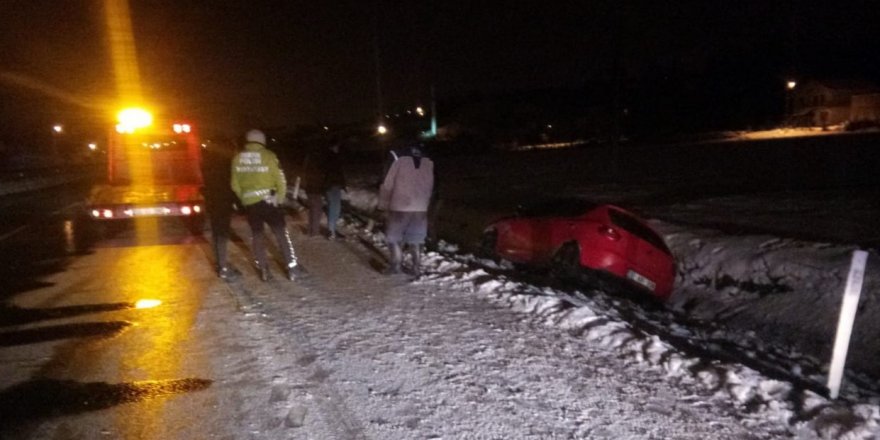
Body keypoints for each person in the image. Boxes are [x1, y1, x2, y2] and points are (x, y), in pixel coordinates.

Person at [231, 129, 301, 281]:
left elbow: (234, 184)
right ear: (262, 140)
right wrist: (279, 198)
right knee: (281, 234)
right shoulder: (269, 156)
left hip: (251, 204)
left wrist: (245, 199)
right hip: (269, 201)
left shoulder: (237, 158)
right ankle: (291, 267)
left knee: (257, 236)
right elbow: (280, 179)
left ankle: (263, 268)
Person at [377, 136, 435, 277]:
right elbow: (432, 183)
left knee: (393, 237)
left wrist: (383, 204)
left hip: (400, 204)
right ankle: (416, 267)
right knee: (416, 238)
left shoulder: (395, 155)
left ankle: (395, 266)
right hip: (421, 206)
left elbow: (387, 182)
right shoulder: (428, 158)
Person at [201, 137, 241, 282]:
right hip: (224, 201)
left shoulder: (207, 162)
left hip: (212, 201)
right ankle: (223, 267)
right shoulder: (228, 164)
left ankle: (221, 264)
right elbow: (233, 185)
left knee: (217, 233)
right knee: (222, 233)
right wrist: (238, 202)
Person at [321, 140, 346, 240]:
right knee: (334, 208)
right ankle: (331, 231)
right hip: (332, 186)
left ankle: (332, 230)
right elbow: (335, 173)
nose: (338, 148)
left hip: (333, 185)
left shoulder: (331, 157)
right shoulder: (332, 157)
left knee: (335, 208)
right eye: (337, 146)